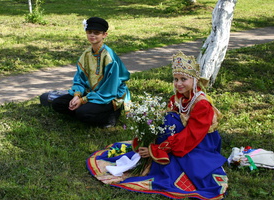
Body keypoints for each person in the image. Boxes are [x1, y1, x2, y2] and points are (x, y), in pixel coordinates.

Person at [86, 51, 228, 199]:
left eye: (183, 79)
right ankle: (151, 158)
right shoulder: (178, 98)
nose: (178, 84)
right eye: (175, 79)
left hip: (199, 143)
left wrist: (158, 149)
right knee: (168, 118)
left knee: (171, 120)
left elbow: (192, 135)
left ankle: (160, 159)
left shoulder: (202, 104)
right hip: (180, 138)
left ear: (195, 81)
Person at [50, 17, 130, 128]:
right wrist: (77, 95)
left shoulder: (108, 57)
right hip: (90, 92)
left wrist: (83, 100)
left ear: (104, 35)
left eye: (96, 33)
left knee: (82, 112)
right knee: (58, 104)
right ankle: (86, 111)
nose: (92, 35)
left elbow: (109, 90)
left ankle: (111, 116)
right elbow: (79, 79)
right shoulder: (86, 54)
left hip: (109, 95)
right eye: (89, 32)